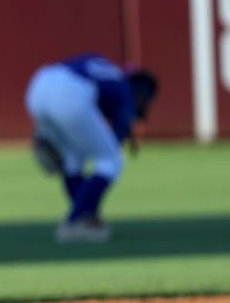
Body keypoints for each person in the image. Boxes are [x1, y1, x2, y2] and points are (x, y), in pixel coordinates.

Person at [25, 54, 157, 242]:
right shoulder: (126, 90)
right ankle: (74, 220)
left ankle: (87, 216)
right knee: (111, 161)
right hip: (70, 93)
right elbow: (117, 137)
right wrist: (119, 139)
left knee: (73, 158)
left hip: (39, 86)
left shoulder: (109, 71)